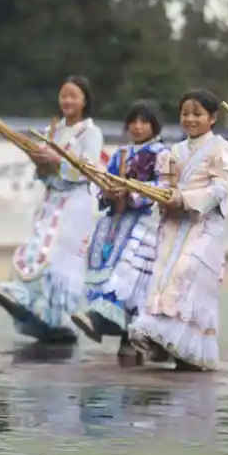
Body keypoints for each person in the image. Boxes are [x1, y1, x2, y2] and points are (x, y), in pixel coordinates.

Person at [0, 76, 104, 343]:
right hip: (51, 201)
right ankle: (33, 309)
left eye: (73, 96)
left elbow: (89, 170)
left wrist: (57, 161)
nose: (67, 101)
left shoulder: (91, 132)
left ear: (85, 100)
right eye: (64, 95)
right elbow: (44, 173)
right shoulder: (52, 130)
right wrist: (41, 163)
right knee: (35, 246)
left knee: (57, 259)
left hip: (75, 203)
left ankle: (57, 318)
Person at [128, 88, 228, 371]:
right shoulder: (174, 151)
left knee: (185, 273)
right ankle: (166, 340)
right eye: (185, 113)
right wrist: (164, 198)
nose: (190, 119)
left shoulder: (221, 148)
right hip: (174, 224)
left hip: (204, 224)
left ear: (212, 118)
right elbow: (164, 185)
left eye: (197, 114)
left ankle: (188, 345)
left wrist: (185, 199)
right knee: (163, 273)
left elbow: (221, 187)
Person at [72, 100, 167, 357]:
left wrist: (133, 193)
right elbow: (106, 181)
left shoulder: (161, 154)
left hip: (143, 225)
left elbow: (162, 187)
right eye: (133, 121)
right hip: (115, 222)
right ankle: (114, 327)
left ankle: (125, 332)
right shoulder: (121, 153)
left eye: (144, 122)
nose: (137, 127)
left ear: (154, 126)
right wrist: (108, 191)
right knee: (108, 271)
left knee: (132, 280)